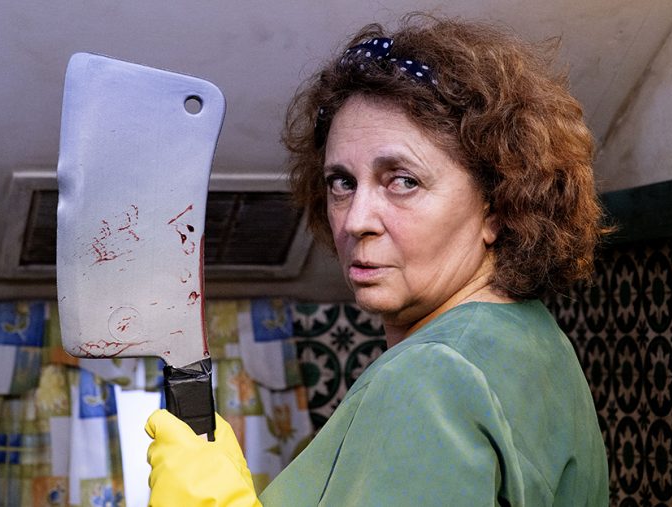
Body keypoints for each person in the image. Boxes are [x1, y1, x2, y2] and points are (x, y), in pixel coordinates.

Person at [145, 14, 610, 506]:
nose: (355, 220)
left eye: (403, 181)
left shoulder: (432, 375)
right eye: (342, 182)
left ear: (497, 207)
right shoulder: (530, 339)